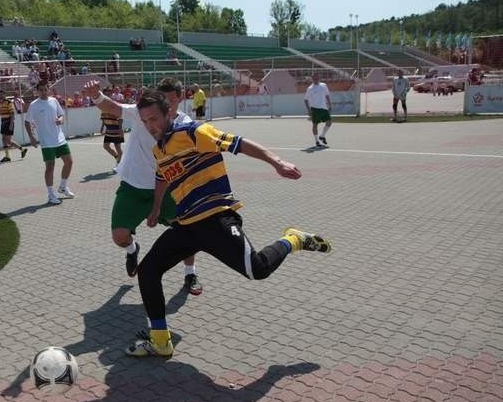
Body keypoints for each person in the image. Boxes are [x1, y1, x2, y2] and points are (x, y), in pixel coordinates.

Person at [125, 90, 331, 357]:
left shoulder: (194, 132)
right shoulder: (159, 149)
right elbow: (163, 177)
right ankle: (161, 341)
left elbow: (239, 143)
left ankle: (294, 240)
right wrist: (155, 210)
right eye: (145, 121)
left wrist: (277, 162)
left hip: (215, 218)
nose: (151, 126)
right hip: (187, 226)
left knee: (257, 270)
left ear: (169, 113)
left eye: (154, 118)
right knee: (148, 271)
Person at [84, 77, 203, 294]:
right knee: (119, 237)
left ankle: (190, 273)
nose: (163, 102)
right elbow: (113, 107)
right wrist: (95, 95)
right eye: (161, 96)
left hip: (168, 189)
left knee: (189, 230)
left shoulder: (184, 124)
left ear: (178, 99)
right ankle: (132, 249)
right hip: (134, 187)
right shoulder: (143, 112)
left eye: (169, 98)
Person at [25, 82, 74, 205]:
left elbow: (61, 114)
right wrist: (31, 138)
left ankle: (63, 186)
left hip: (59, 138)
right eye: (40, 90)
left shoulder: (54, 101)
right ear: (37, 91)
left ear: (49, 90)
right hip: (46, 141)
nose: (43, 92)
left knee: (69, 162)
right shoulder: (34, 105)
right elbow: (27, 121)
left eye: (45, 89)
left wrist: (60, 120)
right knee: (50, 167)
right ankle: (51, 195)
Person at [0, 90, 27, 163]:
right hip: (3, 121)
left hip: (8, 122)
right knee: (5, 139)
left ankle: (19, 151)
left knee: (7, 140)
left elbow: (12, 114)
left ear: (5, 94)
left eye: (2, 94)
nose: (1, 96)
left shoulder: (9, 102)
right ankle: (10, 155)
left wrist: (11, 124)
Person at [303, 73, 332, 148]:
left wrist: (329, 104)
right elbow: (306, 100)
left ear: (319, 78)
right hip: (315, 109)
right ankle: (316, 141)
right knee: (315, 125)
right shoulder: (310, 88)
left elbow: (327, 95)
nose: (315, 79)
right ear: (312, 79)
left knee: (329, 122)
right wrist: (309, 110)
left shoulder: (324, 85)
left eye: (317, 77)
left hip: (324, 108)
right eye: (314, 78)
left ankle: (322, 136)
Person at [99, 89, 124, 167]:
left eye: (108, 94)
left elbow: (120, 118)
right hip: (109, 130)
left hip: (116, 129)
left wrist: (120, 129)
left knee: (118, 148)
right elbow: (103, 118)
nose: (106, 96)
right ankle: (118, 158)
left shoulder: (114, 105)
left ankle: (122, 163)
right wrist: (102, 127)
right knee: (106, 146)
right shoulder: (102, 106)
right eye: (105, 95)